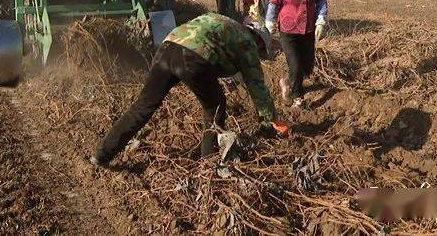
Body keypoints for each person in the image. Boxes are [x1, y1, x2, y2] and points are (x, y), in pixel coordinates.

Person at [91, 12, 291, 167]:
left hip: (167, 48)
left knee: (143, 106)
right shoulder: (247, 43)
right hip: (193, 58)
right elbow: (257, 87)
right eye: (261, 50)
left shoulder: (223, 22)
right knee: (216, 107)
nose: (259, 54)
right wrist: (269, 121)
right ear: (258, 39)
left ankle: (102, 154)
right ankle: (208, 162)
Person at [265, 0, 328, 107]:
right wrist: (270, 21)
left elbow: (321, 0)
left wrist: (321, 19)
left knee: (308, 67)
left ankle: (287, 82)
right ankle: (297, 97)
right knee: (296, 66)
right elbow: (274, 3)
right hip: (288, 30)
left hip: (308, 29)